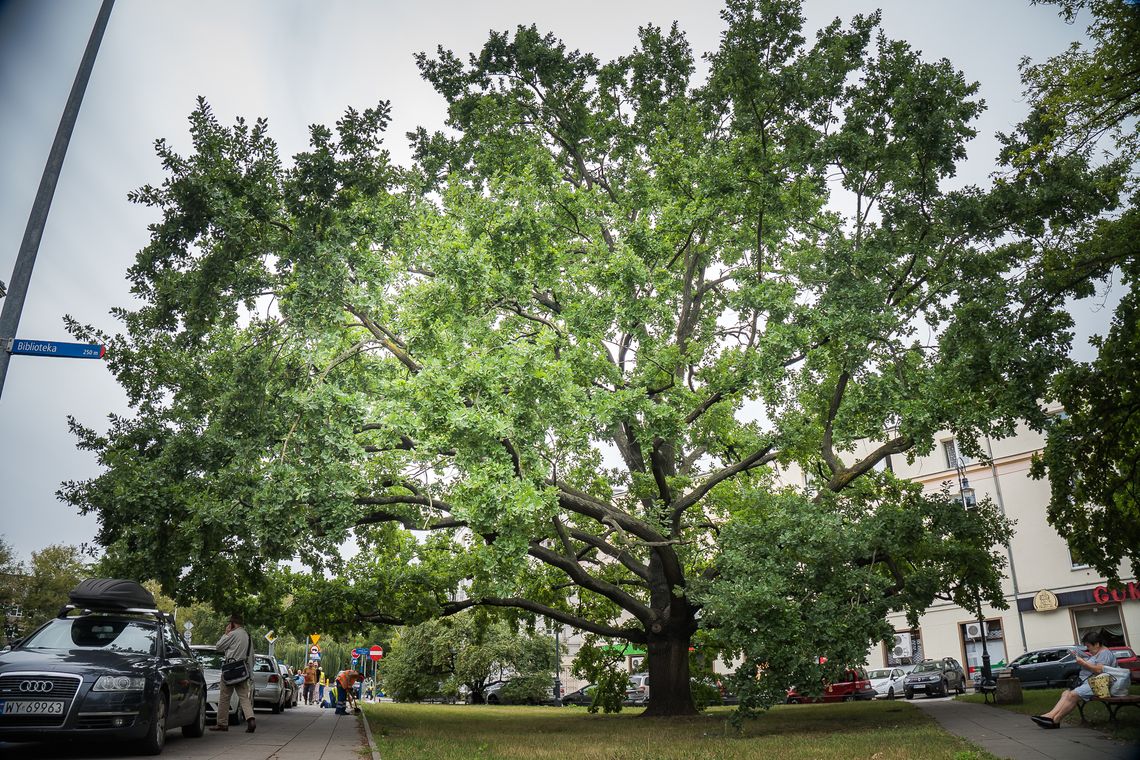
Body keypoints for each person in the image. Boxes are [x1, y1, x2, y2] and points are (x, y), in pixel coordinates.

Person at [1031, 631, 1118, 728]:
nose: (1088, 650)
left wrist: (1083, 663)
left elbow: (1099, 671)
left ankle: (1055, 719)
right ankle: (1050, 715)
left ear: (1097, 644)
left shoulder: (1104, 654)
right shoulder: (1098, 653)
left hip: (1101, 685)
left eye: (1088, 646)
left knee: (1073, 695)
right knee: (1066, 693)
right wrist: (1083, 660)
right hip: (1094, 683)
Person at [210, 615, 257, 733]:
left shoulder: (232, 634)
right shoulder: (248, 636)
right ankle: (251, 720)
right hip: (242, 670)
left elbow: (218, 647)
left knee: (224, 697)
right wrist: (250, 674)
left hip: (230, 670)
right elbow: (251, 656)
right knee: (244, 697)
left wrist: (226, 633)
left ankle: (222, 723)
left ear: (232, 624)